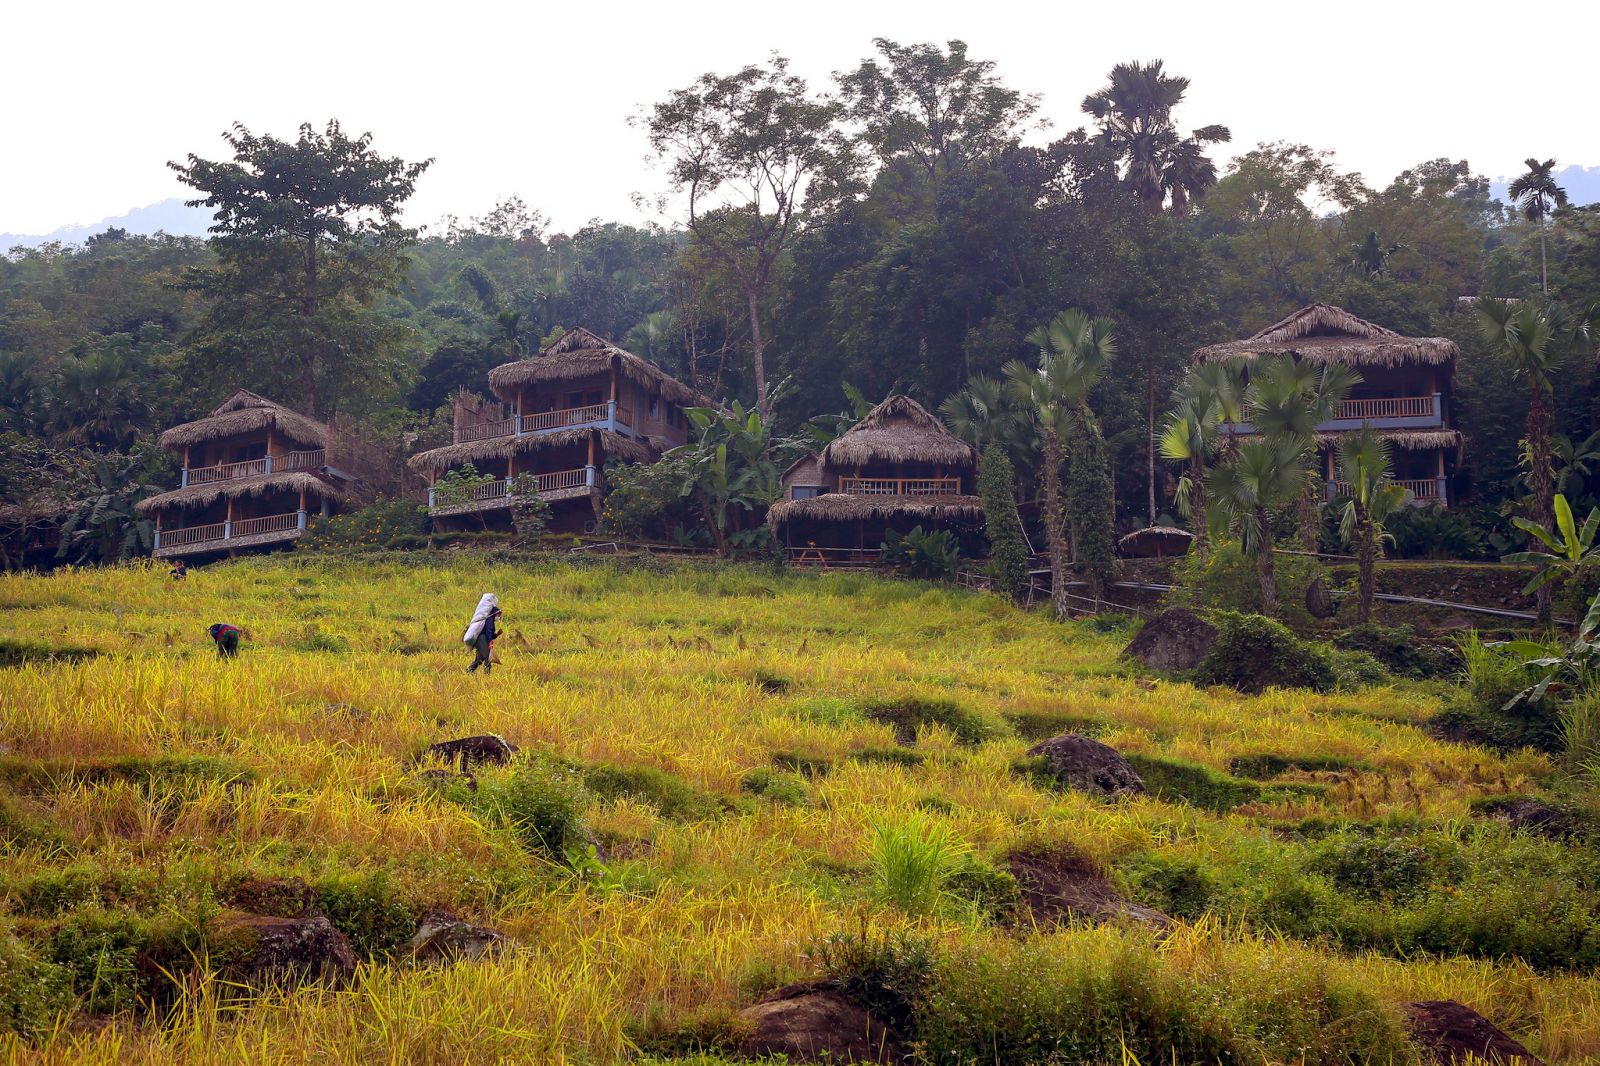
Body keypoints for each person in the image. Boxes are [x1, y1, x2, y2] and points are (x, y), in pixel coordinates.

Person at [462, 593, 502, 674]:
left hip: (479, 639)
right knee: (488, 657)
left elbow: (488, 632)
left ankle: (469, 671)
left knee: (479, 659)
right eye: (498, 615)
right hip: (482, 639)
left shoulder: (486, 619)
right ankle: (487, 674)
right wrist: (490, 642)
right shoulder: (489, 619)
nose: (499, 617)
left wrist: (496, 635)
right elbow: (488, 632)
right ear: (495, 613)